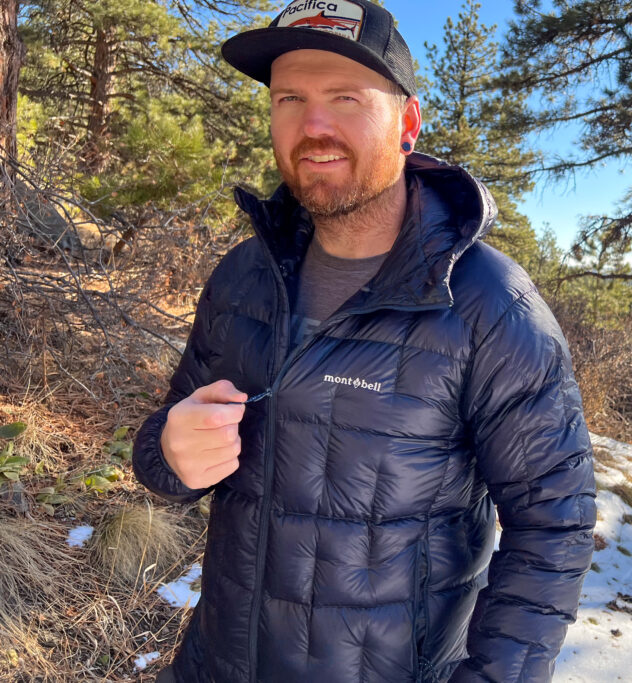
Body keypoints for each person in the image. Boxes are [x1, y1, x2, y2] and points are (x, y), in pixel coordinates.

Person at [131, 1, 597, 681]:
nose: (313, 126)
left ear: (406, 123)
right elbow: (159, 450)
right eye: (290, 98)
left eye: (345, 98)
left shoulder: (487, 304)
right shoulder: (243, 277)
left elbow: (554, 522)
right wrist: (170, 450)